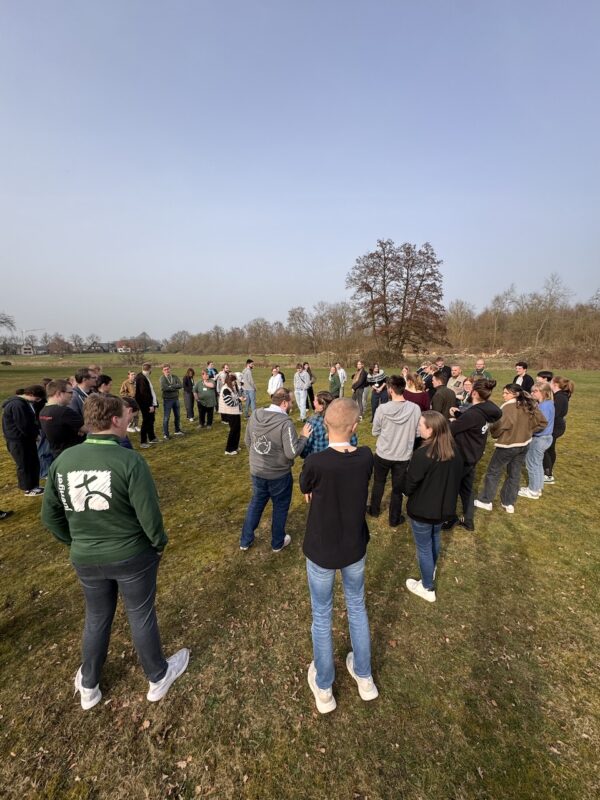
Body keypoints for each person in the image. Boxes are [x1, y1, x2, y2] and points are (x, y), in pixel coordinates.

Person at [41, 394, 189, 709]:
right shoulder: (129, 461)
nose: (130, 419)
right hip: (132, 555)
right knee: (140, 614)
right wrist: (158, 543)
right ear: (114, 420)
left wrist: (75, 542)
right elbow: (150, 516)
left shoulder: (63, 461)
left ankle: (89, 684)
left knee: (96, 616)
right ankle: (157, 676)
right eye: (126, 415)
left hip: (87, 557)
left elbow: (50, 517)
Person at [300, 398, 377, 714]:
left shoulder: (316, 462)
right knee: (356, 607)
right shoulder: (365, 457)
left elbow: (305, 486)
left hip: (323, 548)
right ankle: (363, 677)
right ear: (355, 426)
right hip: (352, 546)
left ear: (324, 424)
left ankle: (325, 688)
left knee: (322, 614)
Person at [240, 388, 311, 552]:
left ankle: (245, 541)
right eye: (291, 402)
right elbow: (291, 452)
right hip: (279, 475)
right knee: (280, 507)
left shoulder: (255, 414)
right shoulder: (285, 423)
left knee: (256, 503)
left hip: (257, 472)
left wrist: (258, 459)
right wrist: (303, 437)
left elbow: (248, 441)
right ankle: (277, 542)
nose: (292, 405)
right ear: (284, 403)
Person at [404, 411, 463, 602]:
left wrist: (405, 490)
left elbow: (410, 482)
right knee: (434, 538)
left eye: (421, 425)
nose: (418, 428)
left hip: (423, 510)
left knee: (424, 547)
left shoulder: (423, 454)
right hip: (443, 509)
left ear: (431, 430)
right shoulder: (454, 451)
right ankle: (431, 569)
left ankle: (427, 587)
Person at [474, 384, 547, 514]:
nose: (503, 395)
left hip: (507, 445)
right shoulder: (528, 404)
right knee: (514, 473)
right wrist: (528, 431)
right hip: (524, 445)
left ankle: (486, 500)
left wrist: (496, 433)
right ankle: (508, 503)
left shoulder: (507, 407)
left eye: (506, 393)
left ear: (515, 394)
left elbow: (498, 427)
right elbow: (542, 422)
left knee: (493, 472)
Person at [443, 379, 501, 532]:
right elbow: (470, 421)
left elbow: (451, 430)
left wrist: (450, 420)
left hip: (462, 457)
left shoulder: (473, 414)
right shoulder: (486, 410)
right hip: (473, 455)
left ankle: (450, 518)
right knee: (467, 488)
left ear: (474, 393)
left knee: (451, 487)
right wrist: (459, 413)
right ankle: (468, 520)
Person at [368, 375, 421, 527]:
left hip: (384, 453)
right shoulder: (415, 408)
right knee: (397, 489)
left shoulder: (383, 409)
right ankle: (394, 518)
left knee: (379, 482)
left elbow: (375, 431)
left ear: (390, 390)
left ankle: (374, 510)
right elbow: (417, 433)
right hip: (402, 455)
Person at [2, 384, 46, 496]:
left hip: (25, 439)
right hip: (18, 440)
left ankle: (34, 485)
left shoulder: (24, 403)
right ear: (30, 394)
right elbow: (23, 424)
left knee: (32, 462)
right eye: (37, 398)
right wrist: (34, 435)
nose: (37, 401)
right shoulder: (17, 405)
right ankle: (28, 488)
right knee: (24, 464)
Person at [519, 382, 555, 499]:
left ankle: (533, 491)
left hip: (539, 438)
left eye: (535, 391)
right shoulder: (548, 404)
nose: (532, 393)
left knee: (532, 464)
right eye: (532, 391)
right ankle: (537, 488)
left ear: (544, 393)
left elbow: (540, 424)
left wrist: (528, 431)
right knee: (538, 464)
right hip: (545, 438)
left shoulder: (544, 406)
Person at [301, 391, 358, 457]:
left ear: (322, 406)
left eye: (315, 401)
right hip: (341, 458)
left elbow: (305, 448)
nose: (313, 402)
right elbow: (353, 442)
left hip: (319, 460)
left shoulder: (313, 422)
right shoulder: (343, 419)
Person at [39, 379, 85, 457]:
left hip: (56, 454)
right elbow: (88, 429)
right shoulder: (64, 412)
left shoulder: (43, 411)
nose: (72, 395)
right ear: (59, 393)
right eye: (70, 392)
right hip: (72, 454)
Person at [543, 376, 574, 484]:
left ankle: (547, 474)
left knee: (545, 449)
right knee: (550, 449)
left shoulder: (560, 397)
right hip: (556, 425)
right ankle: (548, 471)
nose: (549, 384)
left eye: (550, 382)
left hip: (555, 426)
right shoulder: (560, 396)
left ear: (555, 385)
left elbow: (554, 413)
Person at [135, 363, 160, 448]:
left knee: (151, 420)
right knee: (146, 421)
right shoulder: (141, 378)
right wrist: (150, 405)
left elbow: (149, 391)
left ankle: (152, 437)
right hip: (146, 405)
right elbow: (144, 393)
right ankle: (143, 442)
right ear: (149, 369)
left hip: (150, 404)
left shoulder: (144, 376)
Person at [219, 372, 243, 455]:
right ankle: (229, 449)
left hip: (235, 412)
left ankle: (235, 446)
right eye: (233, 381)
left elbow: (235, 397)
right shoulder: (226, 389)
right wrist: (239, 400)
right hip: (230, 413)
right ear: (229, 381)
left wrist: (240, 398)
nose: (234, 382)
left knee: (237, 430)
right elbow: (230, 402)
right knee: (233, 431)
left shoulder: (231, 388)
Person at [159, 364, 184, 439]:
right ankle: (166, 434)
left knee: (177, 416)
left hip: (176, 399)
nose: (167, 370)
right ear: (162, 371)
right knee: (166, 417)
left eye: (168, 369)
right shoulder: (162, 378)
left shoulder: (174, 376)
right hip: (167, 400)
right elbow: (164, 388)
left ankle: (177, 430)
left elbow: (180, 385)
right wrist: (175, 387)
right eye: (165, 369)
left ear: (170, 369)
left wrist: (171, 386)